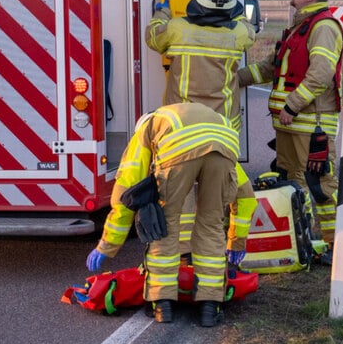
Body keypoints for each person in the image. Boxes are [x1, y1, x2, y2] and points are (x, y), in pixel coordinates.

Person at [85, 102, 240, 327]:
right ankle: (210, 307)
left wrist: (107, 245)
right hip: (226, 145)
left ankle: (161, 304)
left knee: (163, 225)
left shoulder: (146, 130)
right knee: (211, 225)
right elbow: (245, 194)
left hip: (179, 148)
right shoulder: (193, 119)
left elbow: (126, 192)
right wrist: (238, 241)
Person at [146, 0, 257, 264]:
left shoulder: (178, 28)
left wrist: (161, 14)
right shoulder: (240, 36)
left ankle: (182, 254)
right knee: (216, 195)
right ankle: (212, 250)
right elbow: (246, 27)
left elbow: (153, 39)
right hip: (223, 130)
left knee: (178, 195)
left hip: (181, 129)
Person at [238, 0, 343, 264]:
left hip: (310, 122)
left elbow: (321, 73)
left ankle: (335, 247)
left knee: (320, 185)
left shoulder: (323, 27)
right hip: (290, 123)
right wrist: (233, 80)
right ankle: (302, 238)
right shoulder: (298, 27)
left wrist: (293, 105)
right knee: (290, 181)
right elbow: (270, 69)